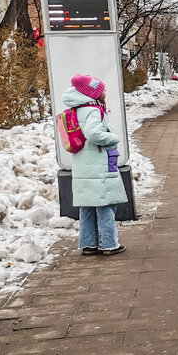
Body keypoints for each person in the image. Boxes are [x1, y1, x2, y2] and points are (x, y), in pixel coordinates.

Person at [63, 74, 126, 256]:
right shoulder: (94, 110)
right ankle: (109, 244)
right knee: (105, 203)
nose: (105, 92)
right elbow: (93, 134)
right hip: (100, 162)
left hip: (83, 163)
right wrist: (113, 138)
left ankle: (89, 244)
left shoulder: (77, 109)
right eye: (102, 90)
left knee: (88, 205)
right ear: (93, 94)